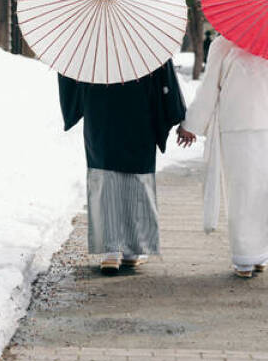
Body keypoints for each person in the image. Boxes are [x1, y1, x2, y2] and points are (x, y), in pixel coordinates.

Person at [176, 35, 268, 278]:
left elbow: (210, 86)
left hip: (249, 124)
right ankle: (255, 253)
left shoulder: (224, 44)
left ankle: (249, 256)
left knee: (250, 190)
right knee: (256, 189)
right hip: (259, 122)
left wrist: (192, 124)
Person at [59, 59, 188, 273]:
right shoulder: (146, 41)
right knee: (136, 178)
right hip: (139, 113)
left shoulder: (89, 43)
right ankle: (133, 251)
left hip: (101, 113)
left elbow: (69, 70)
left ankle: (111, 251)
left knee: (105, 176)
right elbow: (166, 83)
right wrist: (177, 115)